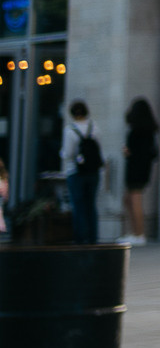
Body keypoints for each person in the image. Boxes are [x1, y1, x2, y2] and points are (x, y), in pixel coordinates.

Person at [63, 98, 105, 245]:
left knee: (78, 205)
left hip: (76, 171)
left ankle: (80, 238)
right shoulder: (94, 127)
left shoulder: (70, 130)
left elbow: (68, 153)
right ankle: (93, 237)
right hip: (93, 171)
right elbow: (99, 149)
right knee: (91, 205)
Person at [123, 97, 159, 244]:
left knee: (134, 200)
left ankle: (139, 233)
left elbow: (132, 151)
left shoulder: (136, 131)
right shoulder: (149, 132)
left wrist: (128, 152)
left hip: (135, 168)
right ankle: (136, 232)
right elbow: (153, 153)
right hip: (143, 168)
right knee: (129, 199)